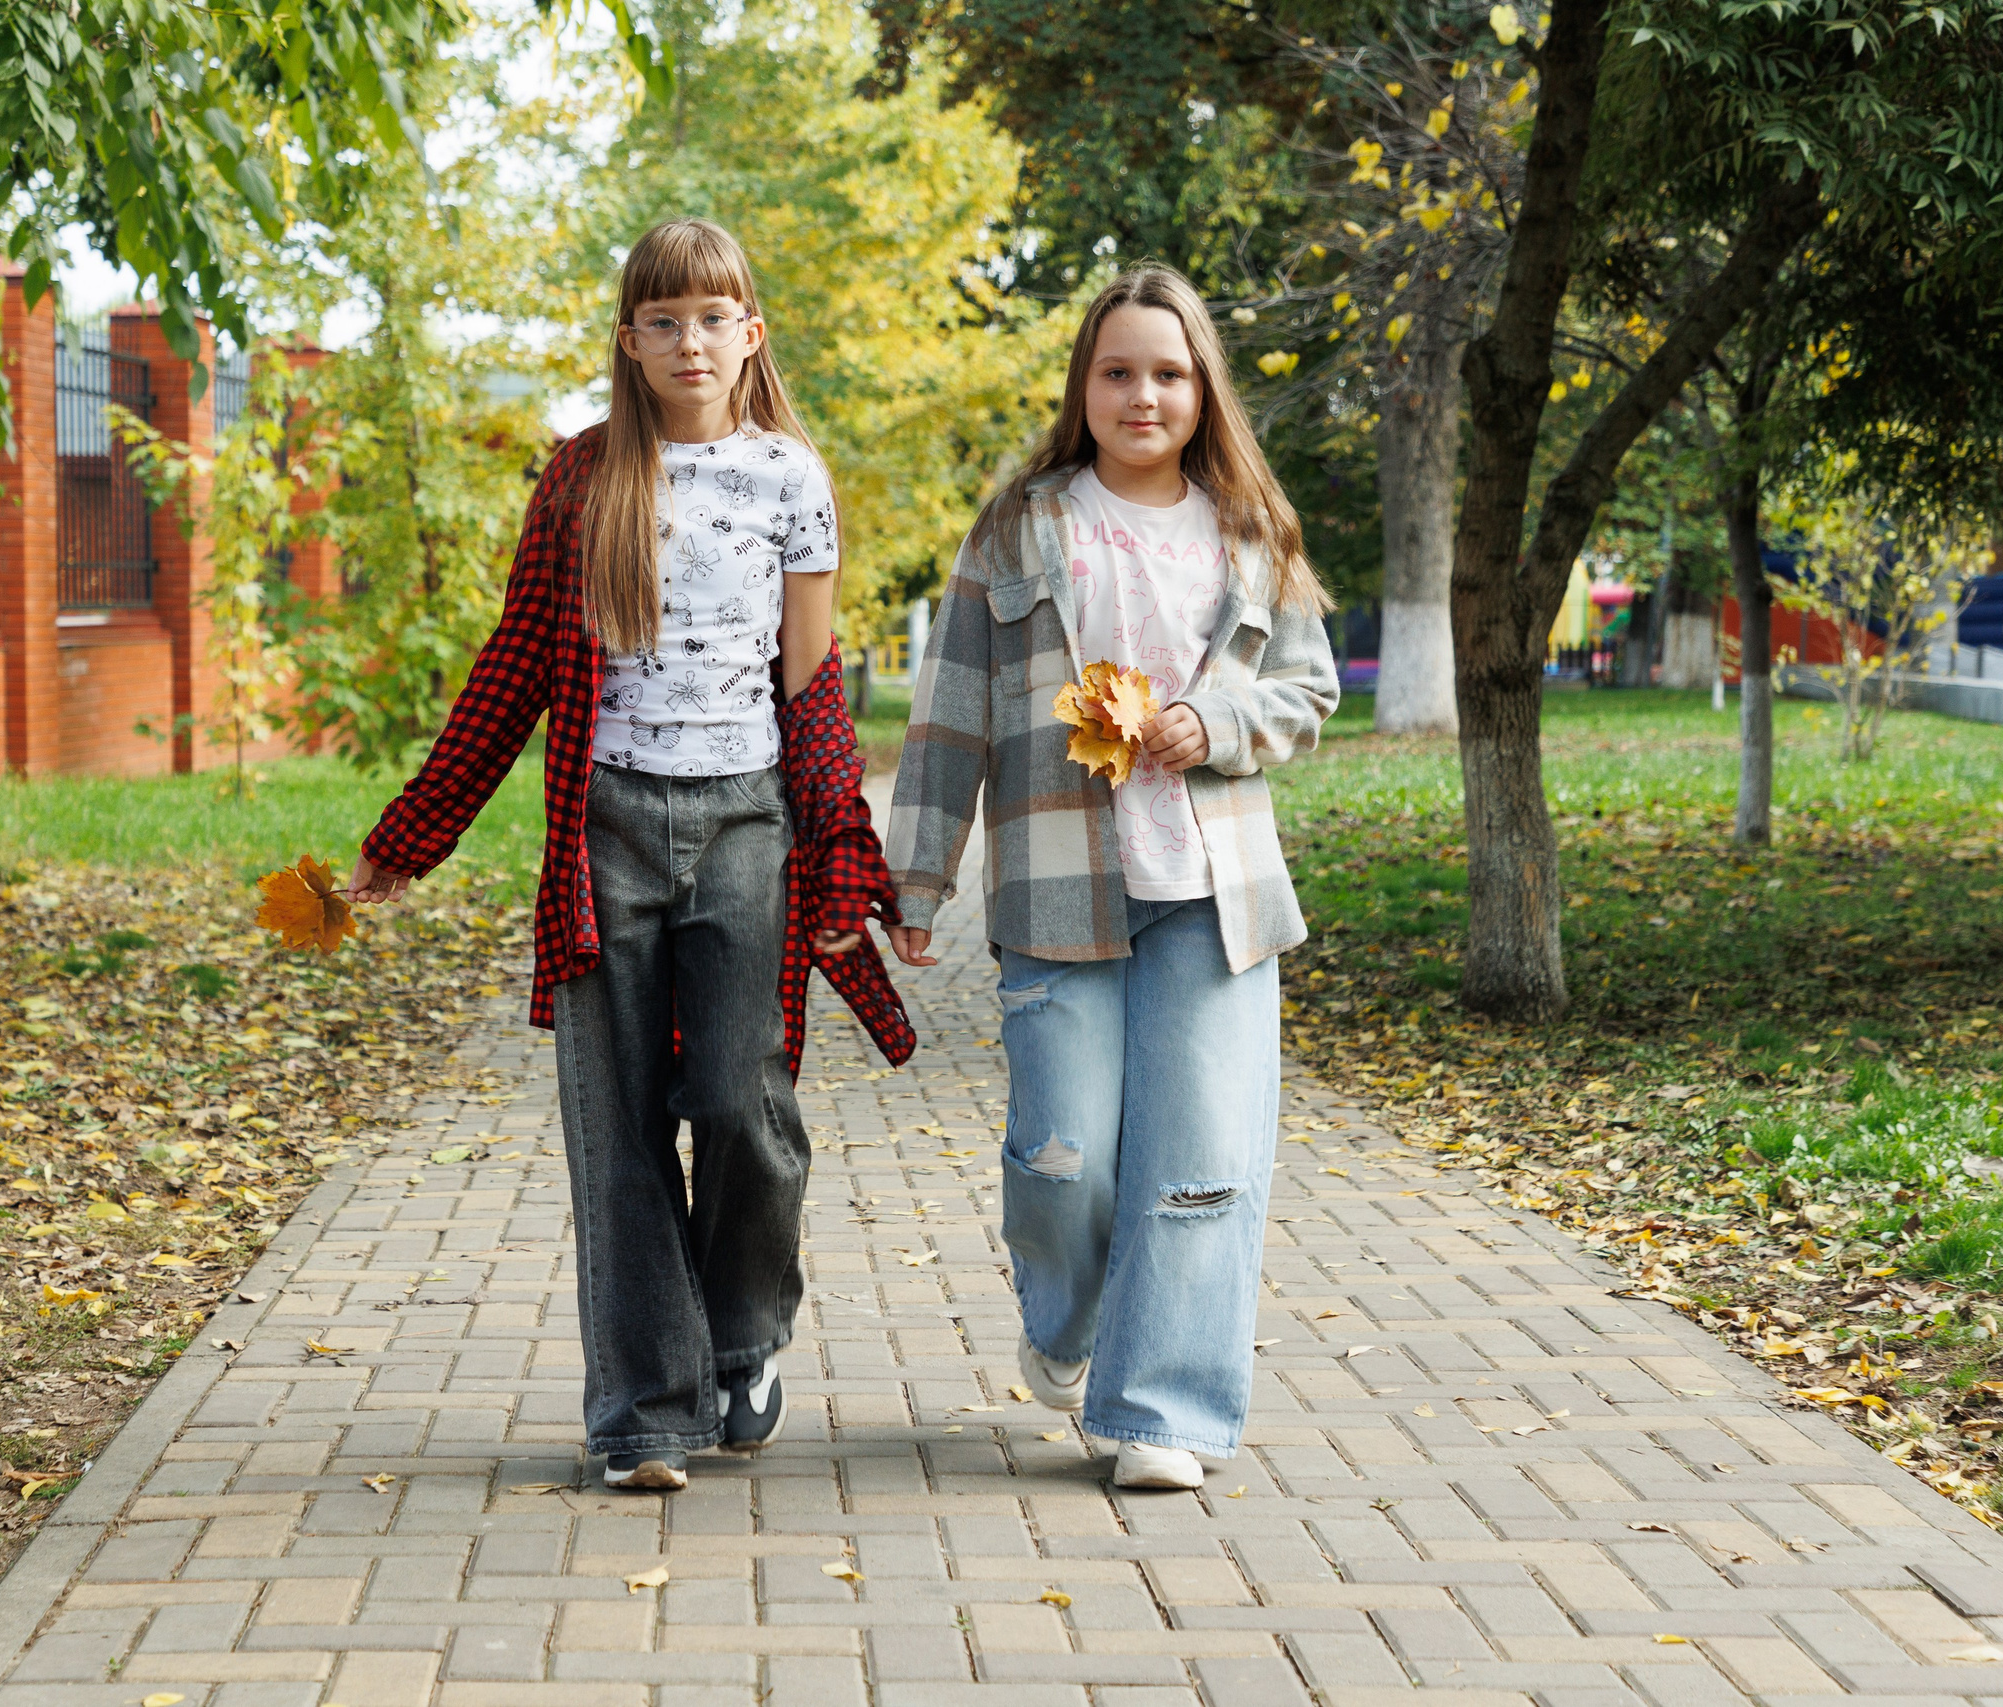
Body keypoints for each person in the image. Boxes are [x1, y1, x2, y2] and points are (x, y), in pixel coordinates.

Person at [346, 218, 913, 1492]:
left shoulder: (791, 479)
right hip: (603, 828)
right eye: (663, 320)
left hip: (747, 824)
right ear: (630, 339)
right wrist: (412, 836)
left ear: (748, 333)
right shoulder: (584, 474)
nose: (689, 341)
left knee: (738, 1102)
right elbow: (518, 666)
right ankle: (645, 1416)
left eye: (713, 318)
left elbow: (812, 689)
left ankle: (744, 1337)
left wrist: (839, 858)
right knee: (616, 1129)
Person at [882, 264, 1338, 1491]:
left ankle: (1161, 1417)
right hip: (1054, 883)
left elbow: (1307, 689)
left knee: (1197, 1161)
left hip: (1211, 888)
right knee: (1062, 1157)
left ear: (1204, 392)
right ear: (1083, 387)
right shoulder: (1024, 524)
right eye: (1118, 372)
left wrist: (1217, 719)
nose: (1144, 395)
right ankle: (1067, 1321)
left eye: (1170, 374)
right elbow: (953, 713)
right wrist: (917, 879)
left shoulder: (1253, 530)